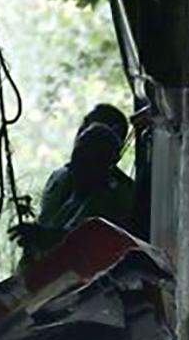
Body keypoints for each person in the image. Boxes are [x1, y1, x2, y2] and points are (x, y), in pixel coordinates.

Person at [15, 104, 136, 265]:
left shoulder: (119, 195)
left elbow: (91, 246)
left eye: (90, 148)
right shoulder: (60, 178)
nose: (80, 134)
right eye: (83, 126)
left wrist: (44, 237)